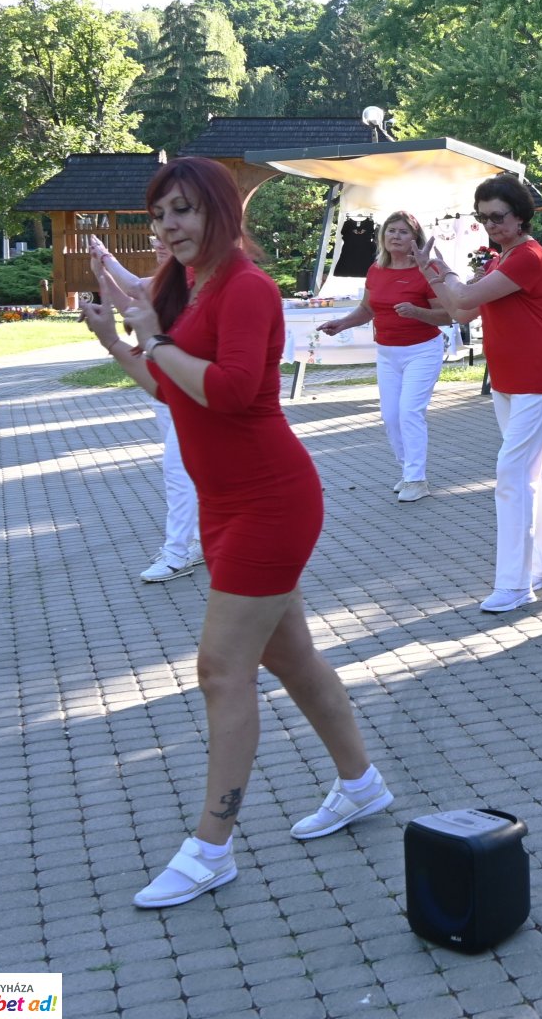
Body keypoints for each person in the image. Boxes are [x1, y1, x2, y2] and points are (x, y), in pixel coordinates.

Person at [78, 157, 390, 908]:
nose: (168, 228)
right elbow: (172, 387)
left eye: (181, 211)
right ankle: (363, 786)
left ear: (218, 211)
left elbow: (229, 389)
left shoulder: (246, 287)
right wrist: (118, 343)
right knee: (294, 658)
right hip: (222, 503)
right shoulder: (185, 290)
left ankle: (210, 847)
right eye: (159, 217)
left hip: (271, 501)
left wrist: (151, 337)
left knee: (221, 670)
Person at [419, 175, 542, 610]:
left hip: (536, 379)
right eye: (483, 218)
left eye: (498, 217)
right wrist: (428, 270)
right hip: (508, 379)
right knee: (532, 474)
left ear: (519, 215)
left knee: (511, 475)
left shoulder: (526, 256)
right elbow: (459, 309)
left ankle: (514, 584)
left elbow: (462, 293)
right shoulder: (502, 260)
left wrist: (441, 266)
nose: (491, 225)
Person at [89, 233, 204, 582]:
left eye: (170, 234)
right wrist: (102, 275)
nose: (160, 240)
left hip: (187, 392)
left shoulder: (193, 277)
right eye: (157, 233)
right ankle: (197, 541)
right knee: (184, 473)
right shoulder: (170, 280)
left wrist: (106, 259)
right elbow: (133, 310)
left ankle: (177, 552)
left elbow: (135, 284)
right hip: (164, 389)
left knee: (178, 474)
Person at [318, 212, 452, 502]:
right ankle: (407, 473)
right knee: (391, 417)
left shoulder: (425, 271)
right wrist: (341, 323)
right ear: (382, 236)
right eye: (391, 231)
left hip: (422, 350)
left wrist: (418, 313)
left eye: (403, 232)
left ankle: (417, 479)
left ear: (414, 238)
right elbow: (368, 308)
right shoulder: (376, 269)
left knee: (409, 412)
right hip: (387, 352)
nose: (396, 236)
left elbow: (449, 314)